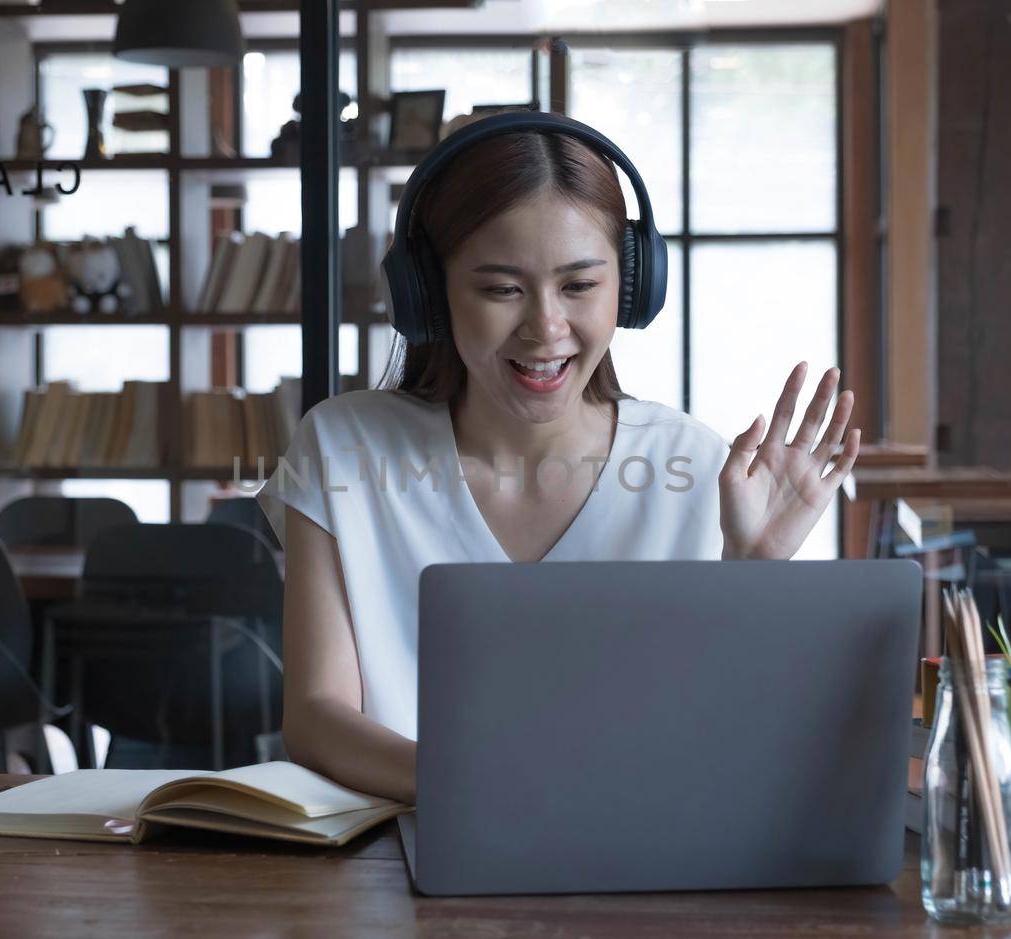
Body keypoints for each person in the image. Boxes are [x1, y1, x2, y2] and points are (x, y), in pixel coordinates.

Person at [257, 117, 860, 805]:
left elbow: (729, 740)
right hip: (399, 861)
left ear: (629, 290)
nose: (546, 328)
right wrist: (482, 789)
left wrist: (755, 574)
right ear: (427, 293)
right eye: (501, 289)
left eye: (579, 286)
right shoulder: (343, 449)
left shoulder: (695, 463)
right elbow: (315, 716)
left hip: (635, 862)